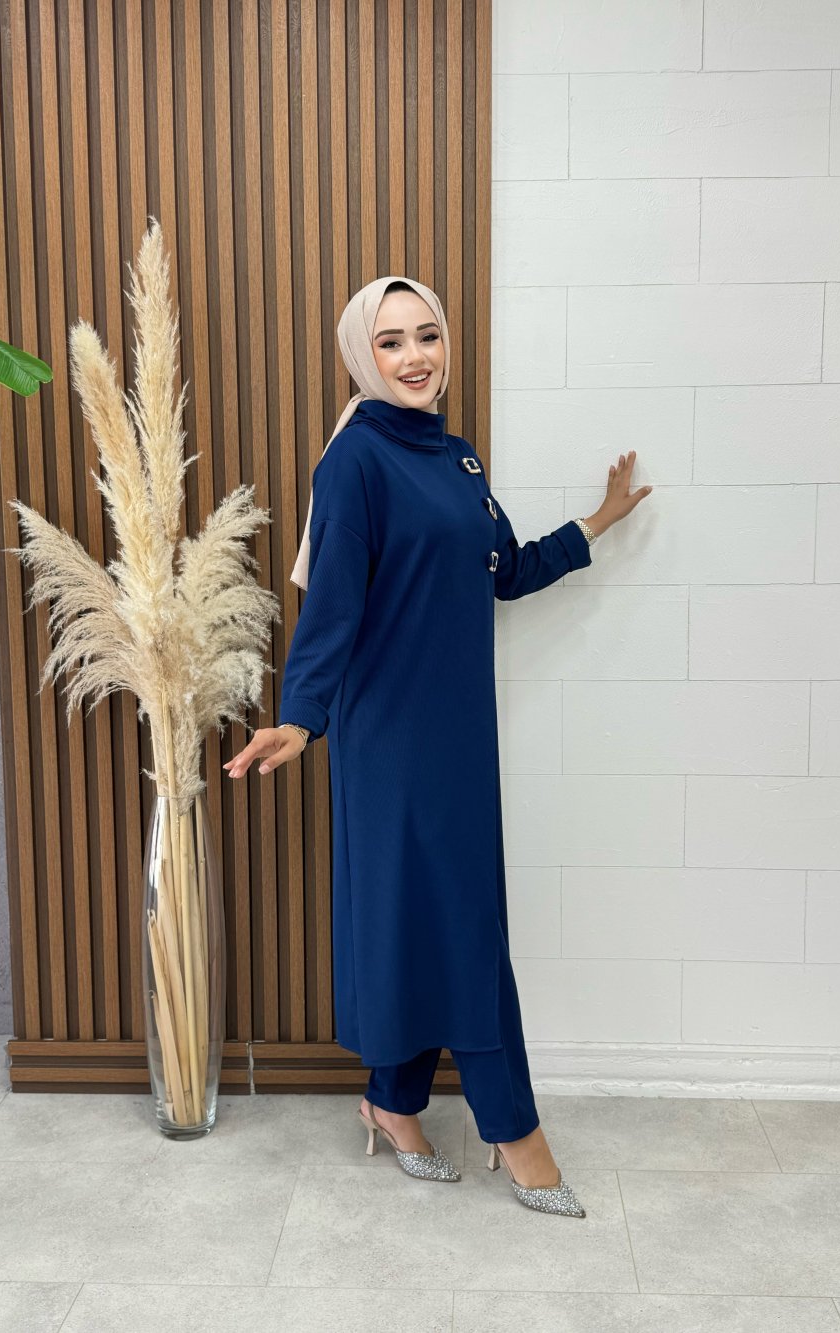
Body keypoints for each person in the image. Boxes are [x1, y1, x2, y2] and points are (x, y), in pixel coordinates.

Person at [224, 276, 652, 1217]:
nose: (415, 356)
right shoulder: (355, 461)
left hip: (458, 736)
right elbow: (332, 607)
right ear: (361, 356)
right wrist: (301, 716)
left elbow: (505, 571)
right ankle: (515, 1129)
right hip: (388, 740)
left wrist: (597, 524)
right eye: (391, 342)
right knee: (454, 924)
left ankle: (393, 1100)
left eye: (427, 335)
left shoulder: (458, 458)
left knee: (432, 918)